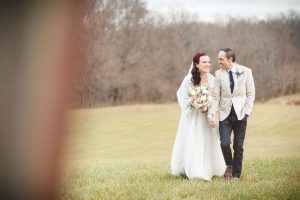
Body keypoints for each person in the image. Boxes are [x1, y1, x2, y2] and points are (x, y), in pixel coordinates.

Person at [171, 52, 226, 181]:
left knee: (209, 142)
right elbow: (183, 98)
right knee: (194, 141)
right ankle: (195, 170)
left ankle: (210, 169)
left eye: (209, 62)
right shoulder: (188, 80)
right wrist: (196, 103)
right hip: (193, 118)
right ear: (196, 65)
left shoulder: (213, 80)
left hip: (208, 117)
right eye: (204, 62)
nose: (207, 64)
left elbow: (215, 100)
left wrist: (210, 114)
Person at [208, 48, 255, 180]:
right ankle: (229, 165)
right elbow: (216, 97)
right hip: (224, 114)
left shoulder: (246, 71)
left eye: (221, 59)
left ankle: (236, 175)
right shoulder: (218, 74)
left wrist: (247, 111)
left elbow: (251, 93)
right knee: (224, 143)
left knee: (238, 146)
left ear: (230, 59)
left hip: (241, 114)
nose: (218, 62)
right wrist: (211, 114)